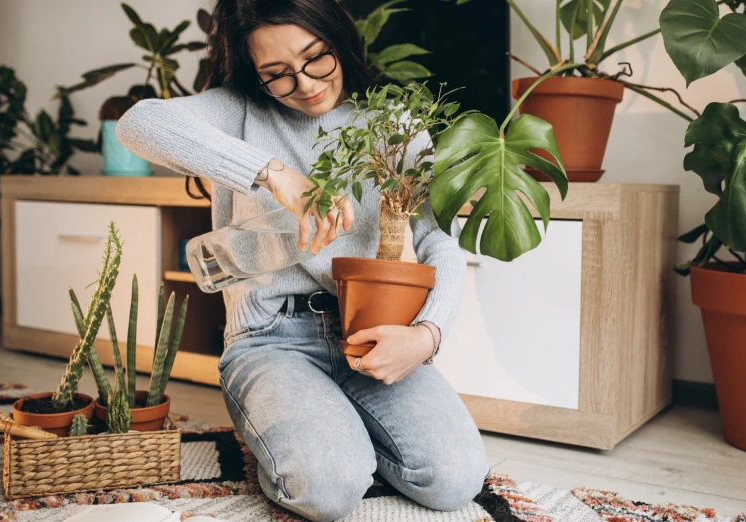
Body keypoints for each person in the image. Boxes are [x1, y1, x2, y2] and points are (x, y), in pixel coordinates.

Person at [115, 0, 488, 520]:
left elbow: (437, 242)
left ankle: (334, 432)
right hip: (271, 337)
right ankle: (313, 437)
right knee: (327, 490)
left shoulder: (395, 123)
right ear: (254, 73)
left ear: (338, 39)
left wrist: (426, 336)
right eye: (278, 74)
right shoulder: (238, 109)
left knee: (455, 480)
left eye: (316, 58)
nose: (306, 83)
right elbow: (137, 124)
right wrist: (274, 174)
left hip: (375, 331)